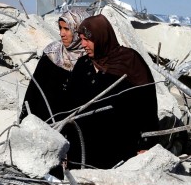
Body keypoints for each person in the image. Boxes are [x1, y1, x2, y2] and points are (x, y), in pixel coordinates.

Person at [65, 14, 160, 169]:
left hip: (119, 149)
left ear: (101, 37)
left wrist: (147, 145)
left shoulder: (130, 61)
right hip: (81, 149)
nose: (83, 44)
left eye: (88, 40)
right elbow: (69, 104)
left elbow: (148, 106)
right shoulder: (83, 64)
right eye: (81, 39)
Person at [20, 9, 90, 122]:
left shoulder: (89, 59)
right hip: (43, 120)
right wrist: (24, 119)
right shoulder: (52, 52)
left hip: (71, 124)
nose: (62, 34)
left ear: (79, 31)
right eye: (60, 28)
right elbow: (33, 90)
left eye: (67, 29)